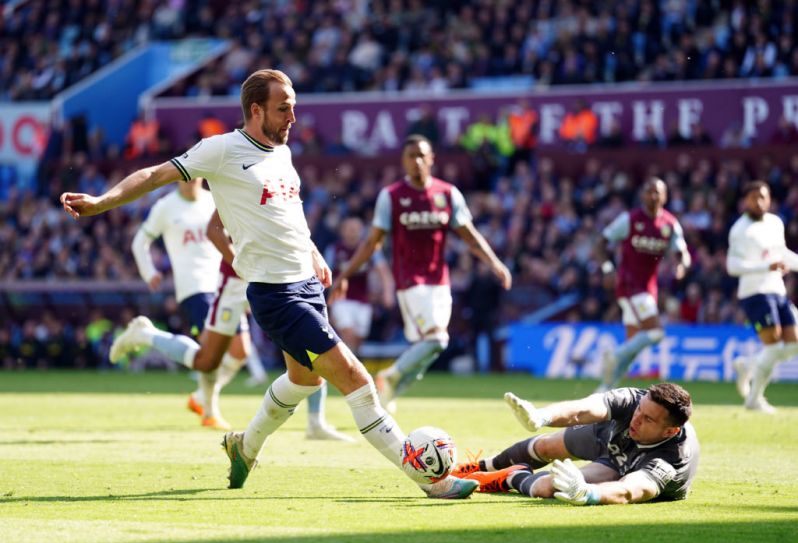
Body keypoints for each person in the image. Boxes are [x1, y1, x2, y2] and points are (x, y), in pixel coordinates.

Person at [60, 69, 476, 499]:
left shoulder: (283, 153)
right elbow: (153, 176)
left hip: (306, 286)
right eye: (284, 108)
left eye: (293, 105)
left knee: (303, 381)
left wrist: (313, 254)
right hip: (276, 295)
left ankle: (245, 446)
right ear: (256, 110)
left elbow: (290, 217)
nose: (293, 116)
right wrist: (102, 202)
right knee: (356, 379)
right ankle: (431, 480)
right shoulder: (220, 150)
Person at [116, 209, 352, 439]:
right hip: (233, 283)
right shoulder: (233, 181)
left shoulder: (277, 179)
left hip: (275, 277)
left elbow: (293, 224)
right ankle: (147, 336)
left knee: (279, 346)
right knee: (207, 360)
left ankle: (315, 421)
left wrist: (311, 253)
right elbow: (214, 231)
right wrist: (242, 267)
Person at [329, 134, 512, 411]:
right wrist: (343, 276)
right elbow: (371, 243)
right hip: (410, 282)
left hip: (440, 282)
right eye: (410, 156)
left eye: (421, 155)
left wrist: (494, 263)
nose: (416, 161)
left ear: (432, 159)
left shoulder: (447, 194)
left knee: (432, 348)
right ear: (403, 161)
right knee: (437, 340)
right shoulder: (391, 196)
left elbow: (470, 236)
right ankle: (388, 377)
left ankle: (388, 394)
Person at [452, 383, 699, 505]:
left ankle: (508, 477)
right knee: (546, 446)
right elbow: (585, 408)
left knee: (550, 487)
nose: (637, 417)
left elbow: (631, 489)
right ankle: (475, 468)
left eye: (647, 419)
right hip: (614, 439)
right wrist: (542, 416)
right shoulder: (633, 401)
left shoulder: (671, 457)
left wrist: (587, 493)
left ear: (670, 430)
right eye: (639, 410)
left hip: (625, 468)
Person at [128, 175, 244, 428]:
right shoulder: (165, 206)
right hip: (194, 287)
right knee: (210, 351)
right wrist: (150, 272)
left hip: (224, 283)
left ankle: (200, 396)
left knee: (240, 350)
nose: (189, 178)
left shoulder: (214, 201)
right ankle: (209, 412)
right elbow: (140, 242)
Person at [595, 177, 691, 390]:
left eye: (658, 192)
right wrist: (608, 268)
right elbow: (600, 243)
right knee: (656, 333)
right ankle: (613, 355)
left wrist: (681, 266)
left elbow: (682, 253)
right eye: (649, 191)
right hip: (629, 285)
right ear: (642, 195)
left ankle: (605, 388)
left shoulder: (670, 224)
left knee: (634, 345)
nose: (653, 196)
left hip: (649, 288)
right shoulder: (629, 220)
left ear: (665, 196)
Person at [728, 181, 798, 413]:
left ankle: (748, 366)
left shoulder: (775, 223)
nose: (758, 202)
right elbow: (732, 266)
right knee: (775, 344)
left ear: (769, 200)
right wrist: (765, 266)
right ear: (745, 201)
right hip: (754, 292)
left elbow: (782, 254)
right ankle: (754, 400)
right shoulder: (740, 230)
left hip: (777, 290)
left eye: (763, 197)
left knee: (793, 343)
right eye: (753, 197)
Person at [324, 217, 394, 356]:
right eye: (350, 229)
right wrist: (326, 303)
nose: (353, 233)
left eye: (357, 230)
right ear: (342, 231)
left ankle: (349, 369)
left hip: (363, 301)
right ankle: (347, 372)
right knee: (348, 335)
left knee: (357, 341)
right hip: (341, 300)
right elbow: (324, 276)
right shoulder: (334, 250)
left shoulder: (369, 250)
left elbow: (383, 271)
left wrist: (387, 292)